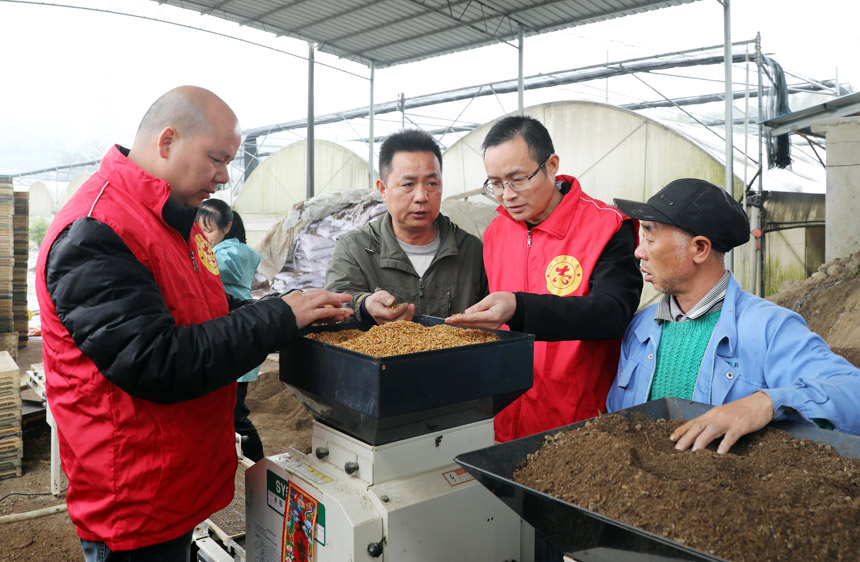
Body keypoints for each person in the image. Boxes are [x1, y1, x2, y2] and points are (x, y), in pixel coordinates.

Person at [35, 85, 352, 561]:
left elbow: (213, 314)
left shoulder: (169, 223)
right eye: (217, 159)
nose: (224, 178)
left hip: (171, 481)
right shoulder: (98, 231)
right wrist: (279, 315)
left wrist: (308, 309)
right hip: (134, 499)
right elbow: (157, 360)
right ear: (167, 142)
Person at [607, 178, 860, 453]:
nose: (639, 251)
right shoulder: (640, 328)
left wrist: (764, 403)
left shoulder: (769, 328)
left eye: (651, 236)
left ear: (700, 248)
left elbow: (852, 391)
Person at [447, 115, 643, 443]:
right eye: (495, 183)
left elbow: (611, 313)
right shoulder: (497, 231)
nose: (506, 195)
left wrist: (518, 307)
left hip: (577, 420)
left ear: (551, 165)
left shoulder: (607, 228)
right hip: (507, 416)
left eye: (518, 179)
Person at [325, 128, 488, 323]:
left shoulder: (470, 250)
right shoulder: (355, 248)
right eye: (408, 184)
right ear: (383, 190)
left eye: (431, 183)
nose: (421, 197)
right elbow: (336, 302)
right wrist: (364, 305)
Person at [197, 201, 265, 462]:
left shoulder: (229, 253)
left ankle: (257, 462)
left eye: (209, 232)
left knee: (236, 413)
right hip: (238, 338)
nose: (204, 239)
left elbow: (218, 266)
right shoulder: (244, 251)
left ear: (227, 228)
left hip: (235, 338)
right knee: (232, 409)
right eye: (199, 232)